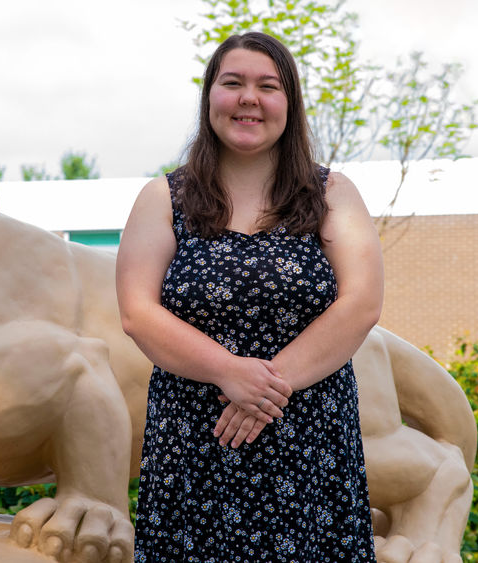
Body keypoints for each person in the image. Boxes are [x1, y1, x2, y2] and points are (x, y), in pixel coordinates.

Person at [115, 31, 383, 561]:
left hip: (309, 446)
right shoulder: (162, 197)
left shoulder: (333, 194)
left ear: (290, 103)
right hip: (194, 445)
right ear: (210, 97)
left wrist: (263, 388)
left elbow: (361, 303)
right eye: (232, 82)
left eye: (268, 86)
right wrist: (227, 371)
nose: (248, 98)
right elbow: (137, 312)